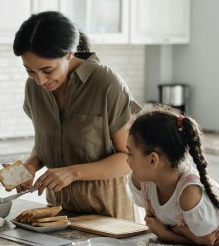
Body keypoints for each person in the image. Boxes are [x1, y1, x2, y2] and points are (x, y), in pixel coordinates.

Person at [9, 11, 141, 220]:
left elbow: (130, 158)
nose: (40, 80)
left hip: (109, 216)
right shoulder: (33, 88)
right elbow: (48, 143)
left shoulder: (105, 83)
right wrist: (31, 166)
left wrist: (72, 173)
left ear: (70, 53)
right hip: (58, 216)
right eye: (30, 71)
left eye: (47, 70)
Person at [127, 105, 219, 246]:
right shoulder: (142, 182)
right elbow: (154, 225)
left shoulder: (190, 194)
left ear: (153, 160)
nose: (126, 161)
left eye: (130, 154)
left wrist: (167, 233)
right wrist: (184, 233)